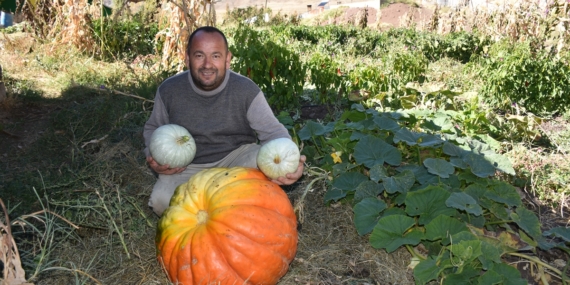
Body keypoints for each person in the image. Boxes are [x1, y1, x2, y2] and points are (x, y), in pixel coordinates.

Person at [143, 26, 306, 216]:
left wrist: (290, 161)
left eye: (216, 56)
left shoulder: (245, 90)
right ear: (187, 59)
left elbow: (273, 133)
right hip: (187, 167)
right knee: (162, 202)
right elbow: (153, 127)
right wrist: (152, 155)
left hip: (237, 159)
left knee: (267, 165)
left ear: (227, 59)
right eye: (199, 56)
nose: (207, 65)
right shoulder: (169, 90)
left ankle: (246, 213)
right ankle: (224, 213)